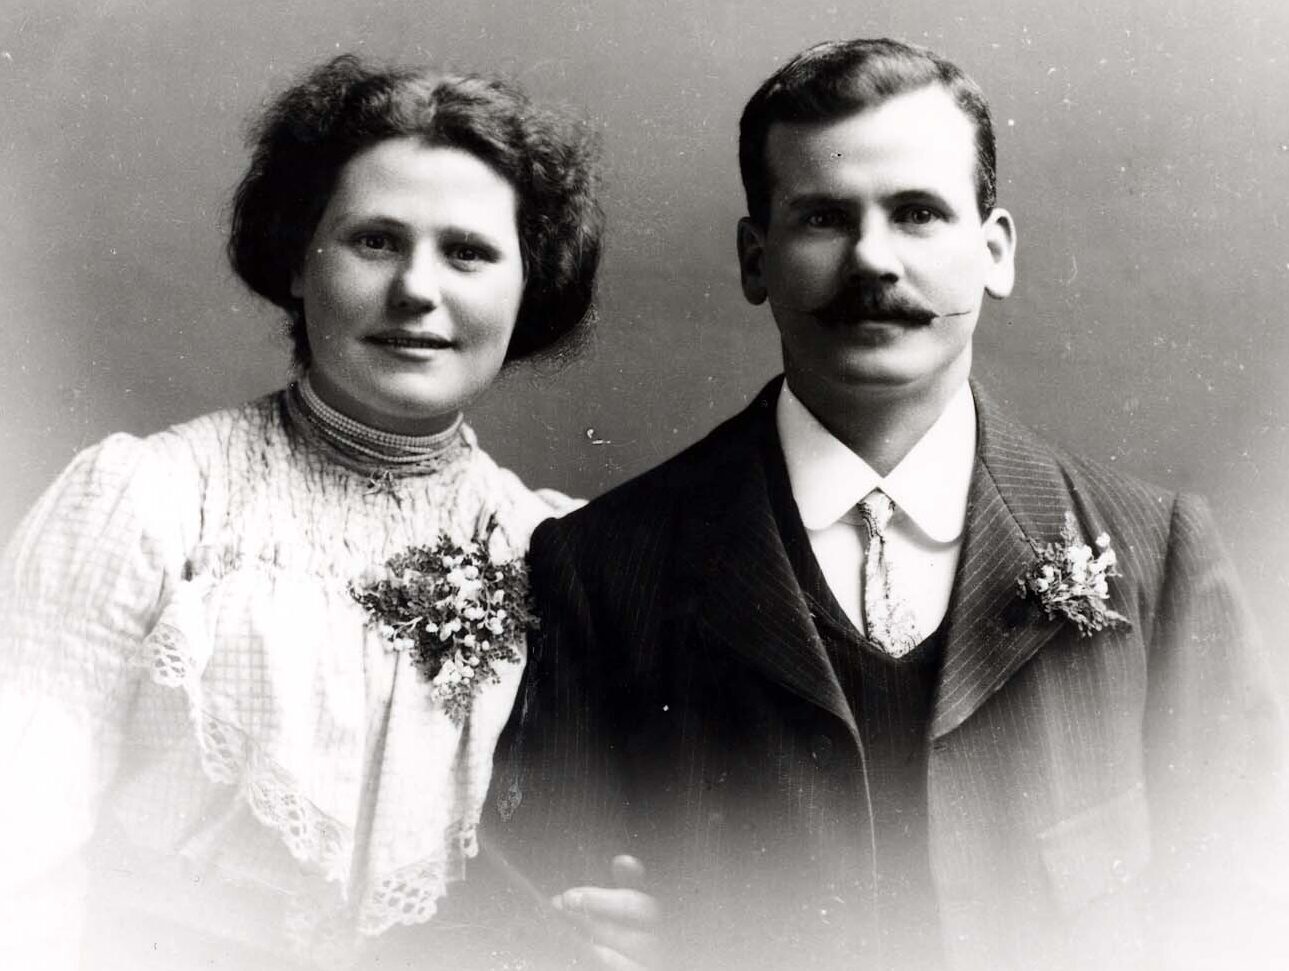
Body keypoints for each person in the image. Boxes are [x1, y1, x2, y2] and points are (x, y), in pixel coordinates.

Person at [494, 38, 1284, 970]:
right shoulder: (601, 564)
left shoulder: (1154, 553)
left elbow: (1245, 900)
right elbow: (545, 909)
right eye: (823, 218)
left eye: (916, 213)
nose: (871, 260)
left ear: (993, 252)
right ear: (756, 259)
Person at [0, 53, 605, 969]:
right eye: (374, 240)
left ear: (528, 286)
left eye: (469, 252)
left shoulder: (563, 554)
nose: (417, 289)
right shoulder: (149, 502)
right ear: (296, 260)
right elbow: (19, 862)